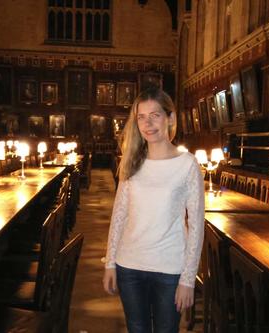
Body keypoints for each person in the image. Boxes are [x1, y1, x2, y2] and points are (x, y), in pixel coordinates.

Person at [103, 88, 205, 333]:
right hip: (129, 266)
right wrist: (110, 263)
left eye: (155, 115)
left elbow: (197, 225)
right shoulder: (131, 161)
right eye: (141, 117)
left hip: (169, 269)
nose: (148, 123)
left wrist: (188, 279)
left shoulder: (188, 165)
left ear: (170, 118)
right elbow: (119, 215)